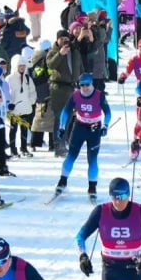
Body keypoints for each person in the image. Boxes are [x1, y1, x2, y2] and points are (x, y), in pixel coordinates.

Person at [55, 72, 111, 201]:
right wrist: (62, 127)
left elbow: (107, 113)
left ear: (92, 84)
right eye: (82, 85)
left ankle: (92, 187)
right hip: (79, 128)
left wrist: (105, 126)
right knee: (71, 155)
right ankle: (62, 181)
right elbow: (65, 111)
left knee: (92, 159)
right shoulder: (75, 95)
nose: (85, 88)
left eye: (87, 85)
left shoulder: (99, 95)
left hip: (94, 129)